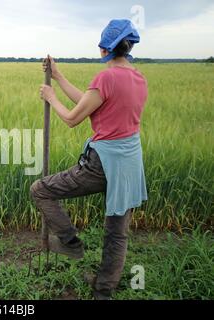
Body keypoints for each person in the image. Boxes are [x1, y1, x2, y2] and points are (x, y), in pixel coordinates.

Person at [30, 19, 148, 300]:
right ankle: (103, 291)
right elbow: (89, 102)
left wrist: (51, 97)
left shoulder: (106, 78)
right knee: (117, 233)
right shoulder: (138, 77)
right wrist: (57, 77)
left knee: (40, 190)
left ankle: (70, 242)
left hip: (102, 164)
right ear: (129, 45)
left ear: (103, 48)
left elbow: (73, 118)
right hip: (130, 165)